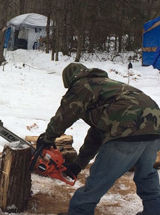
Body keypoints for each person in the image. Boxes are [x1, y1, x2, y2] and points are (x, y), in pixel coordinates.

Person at [37, 63, 160, 215]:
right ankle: (154, 211)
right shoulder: (105, 87)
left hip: (126, 127)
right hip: (154, 125)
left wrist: (48, 138)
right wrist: (78, 165)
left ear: (69, 80)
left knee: (98, 180)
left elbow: (64, 115)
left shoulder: (81, 86)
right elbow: (96, 134)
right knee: (146, 174)